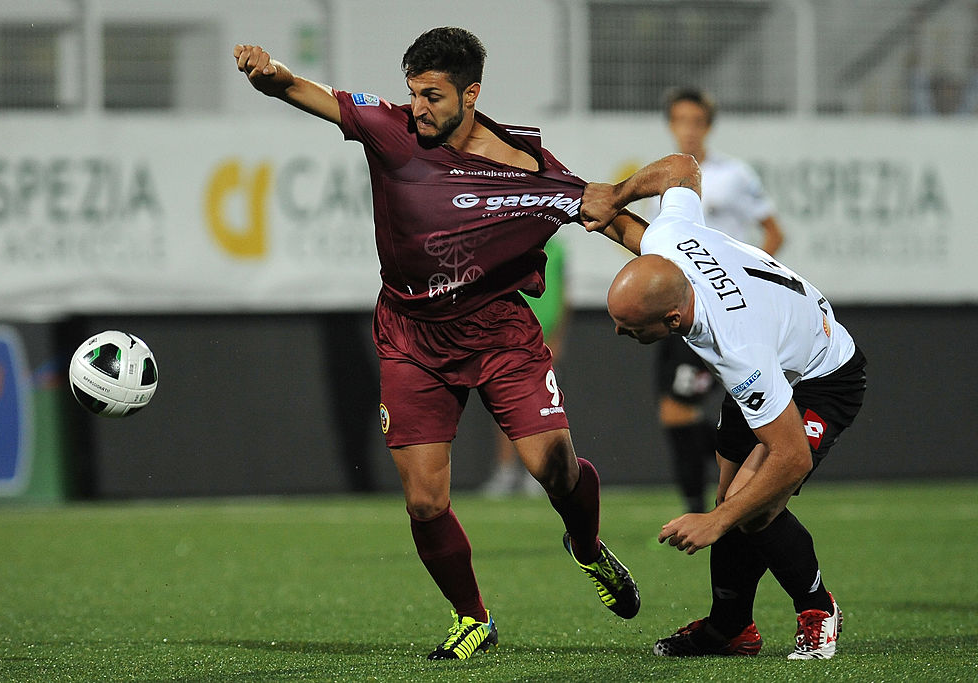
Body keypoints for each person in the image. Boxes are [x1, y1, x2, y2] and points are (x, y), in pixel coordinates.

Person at [234, 28, 639, 661]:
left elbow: (604, 211)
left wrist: (679, 266)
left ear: (470, 93)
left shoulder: (526, 167)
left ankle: (585, 547)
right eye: (412, 93)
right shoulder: (390, 130)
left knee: (554, 469)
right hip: (409, 336)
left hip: (498, 332)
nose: (417, 108)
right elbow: (301, 89)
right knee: (425, 501)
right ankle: (472, 616)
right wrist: (268, 73)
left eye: (431, 96)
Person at [581, 152, 866, 660]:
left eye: (630, 327)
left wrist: (716, 524)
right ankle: (731, 627)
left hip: (822, 373)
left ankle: (817, 607)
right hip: (780, 351)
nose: (619, 332)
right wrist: (615, 196)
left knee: (754, 505)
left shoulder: (736, 348)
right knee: (733, 497)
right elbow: (681, 168)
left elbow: (793, 458)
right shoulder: (669, 242)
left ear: (671, 320)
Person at [654, 87, 786, 514]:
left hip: (720, 310)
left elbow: (773, 232)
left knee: (687, 409)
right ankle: (706, 500)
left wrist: (750, 281)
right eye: (680, 121)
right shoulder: (665, 177)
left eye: (696, 121)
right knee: (677, 411)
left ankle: (711, 501)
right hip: (679, 312)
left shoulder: (734, 175)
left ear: (708, 126)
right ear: (671, 125)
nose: (688, 130)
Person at [481, 235, 569, 497]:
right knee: (507, 406)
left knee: (548, 406)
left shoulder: (557, 250)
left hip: (545, 338)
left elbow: (564, 295)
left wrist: (558, 338)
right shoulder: (513, 244)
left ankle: (543, 472)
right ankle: (506, 471)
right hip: (512, 334)